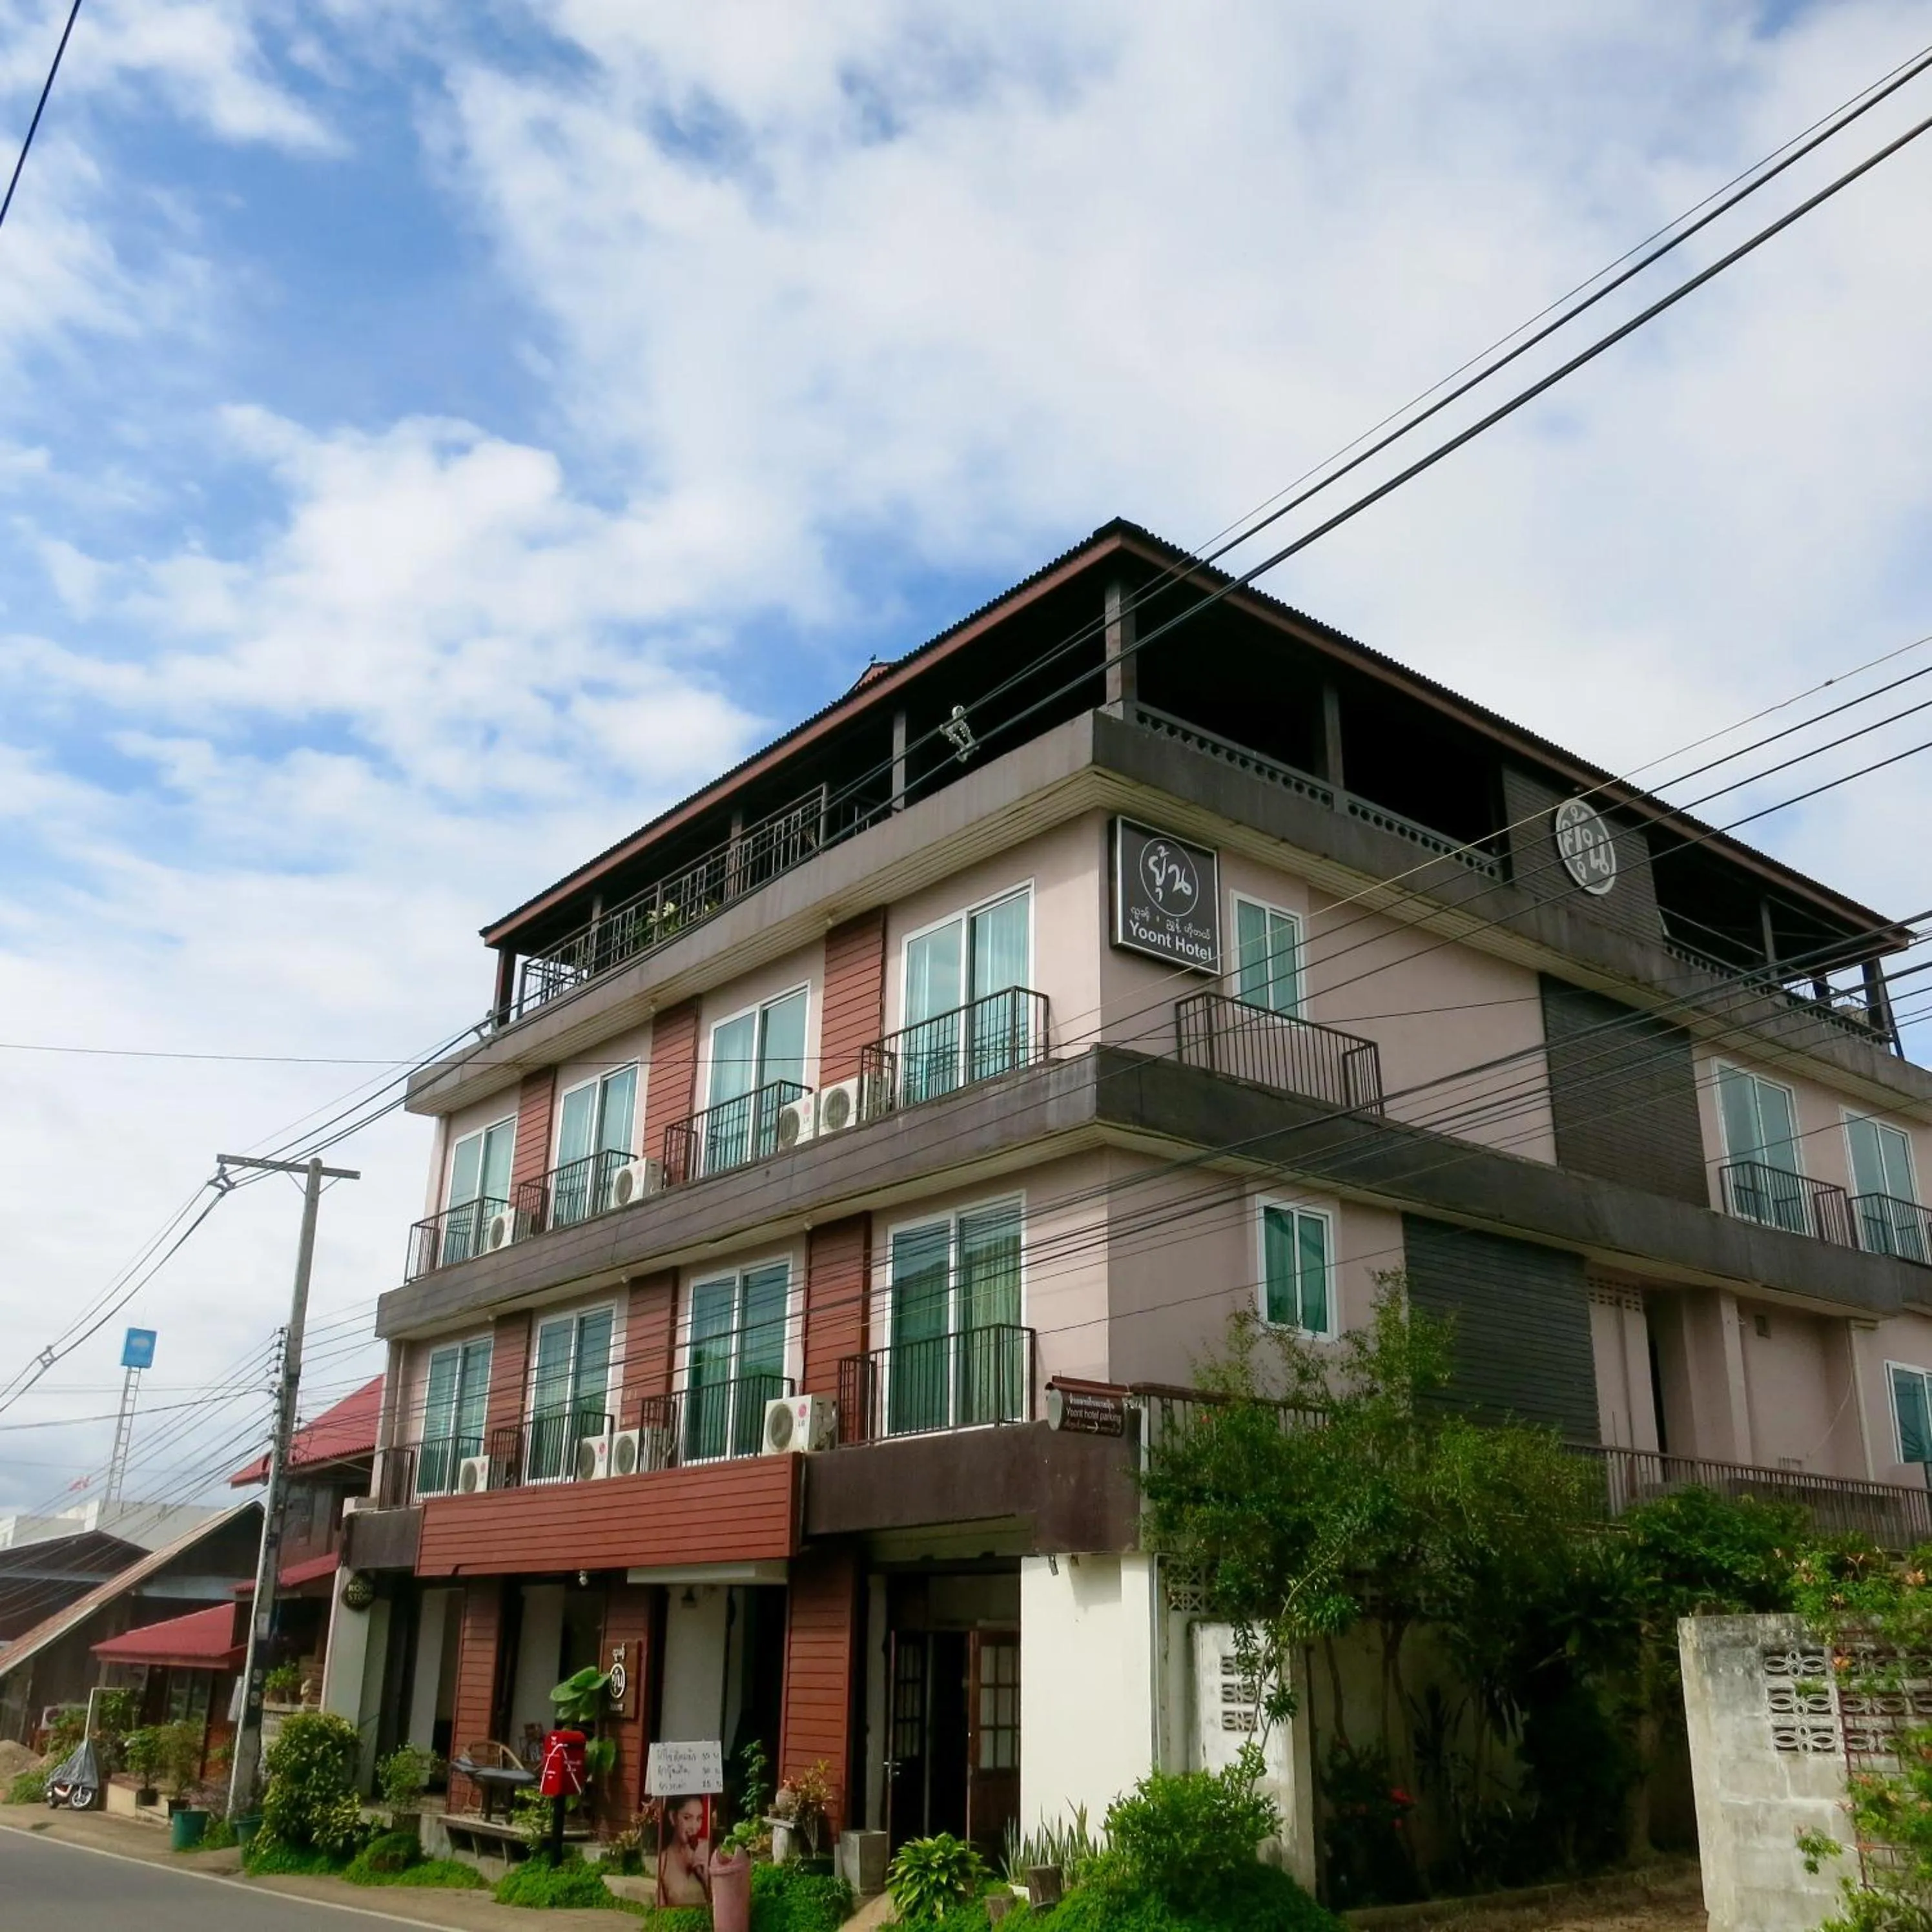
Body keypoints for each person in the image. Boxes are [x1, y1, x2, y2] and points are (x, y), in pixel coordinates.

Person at [657, 1793, 711, 1907]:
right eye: (687, 1818)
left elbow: (719, 1901)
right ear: (673, 1817)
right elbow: (661, 1909)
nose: (694, 1827)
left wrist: (705, 1872)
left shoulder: (706, 1851)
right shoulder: (663, 1861)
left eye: (699, 1818)